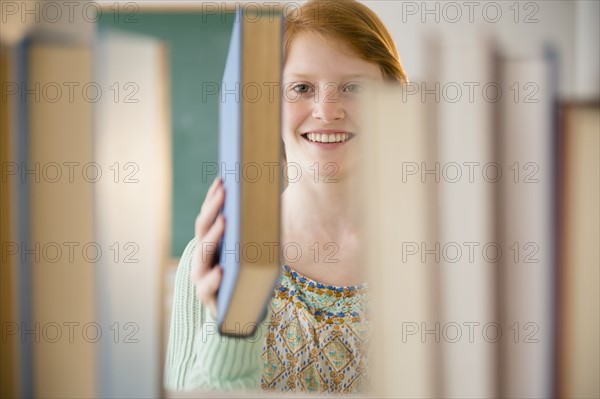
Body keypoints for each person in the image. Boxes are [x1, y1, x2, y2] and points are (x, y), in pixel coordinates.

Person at [164, 0, 407, 394]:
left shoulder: (432, 259)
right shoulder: (214, 256)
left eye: (354, 87)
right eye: (301, 88)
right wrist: (233, 325)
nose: (327, 111)